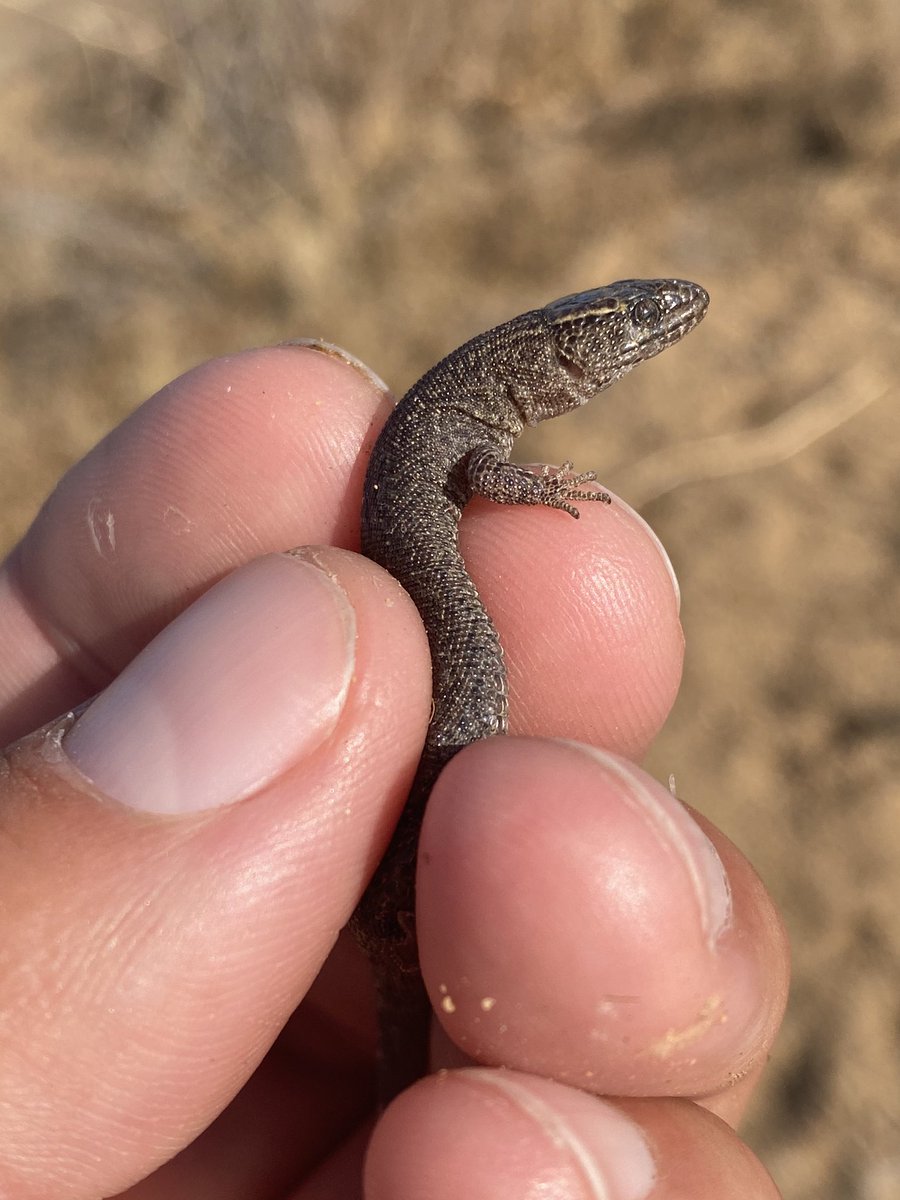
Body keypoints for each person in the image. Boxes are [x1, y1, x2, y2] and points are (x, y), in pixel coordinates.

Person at [0, 341, 788, 1198]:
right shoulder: (466, 423)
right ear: (559, 359)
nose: (644, 336)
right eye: (625, 334)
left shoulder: (468, 412)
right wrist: (538, 490)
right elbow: (485, 473)